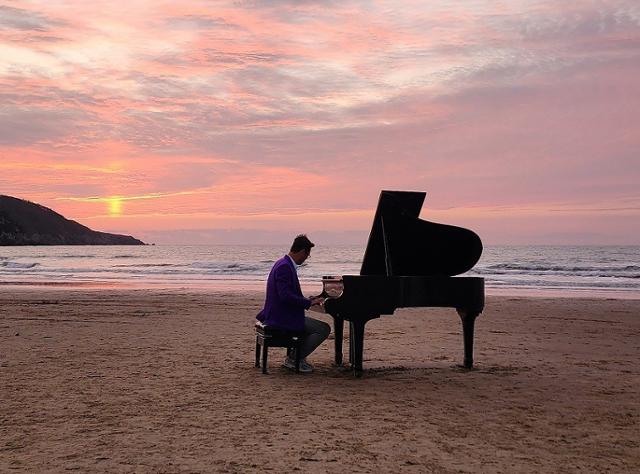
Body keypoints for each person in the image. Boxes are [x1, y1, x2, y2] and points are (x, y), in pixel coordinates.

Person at [256, 234, 330, 373]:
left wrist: (310, 300)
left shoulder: (283, 263)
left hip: (280, 313)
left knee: (316, 327)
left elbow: (288, 294)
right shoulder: (285, 267)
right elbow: (285, 297)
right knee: (323, 329)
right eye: (307, 255)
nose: (306, 258)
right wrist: (308, 303)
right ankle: (294, 358)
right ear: (302, 251)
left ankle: (296, 356)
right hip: (281, 317)